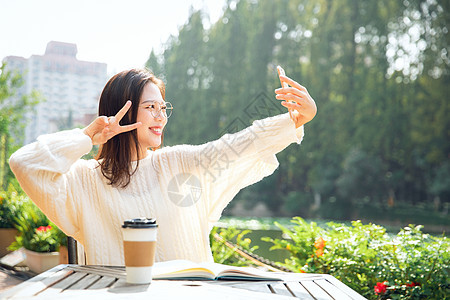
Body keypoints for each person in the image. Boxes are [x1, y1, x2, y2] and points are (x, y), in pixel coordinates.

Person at [9, 67, 317, 265]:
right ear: (123, 113)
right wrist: (88, 137)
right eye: (150, 108)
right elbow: (24, 164)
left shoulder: (178, 162)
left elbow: (235, 146)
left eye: (162, 107)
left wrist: (294, 120)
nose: (161, 117)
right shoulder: (84, 181)